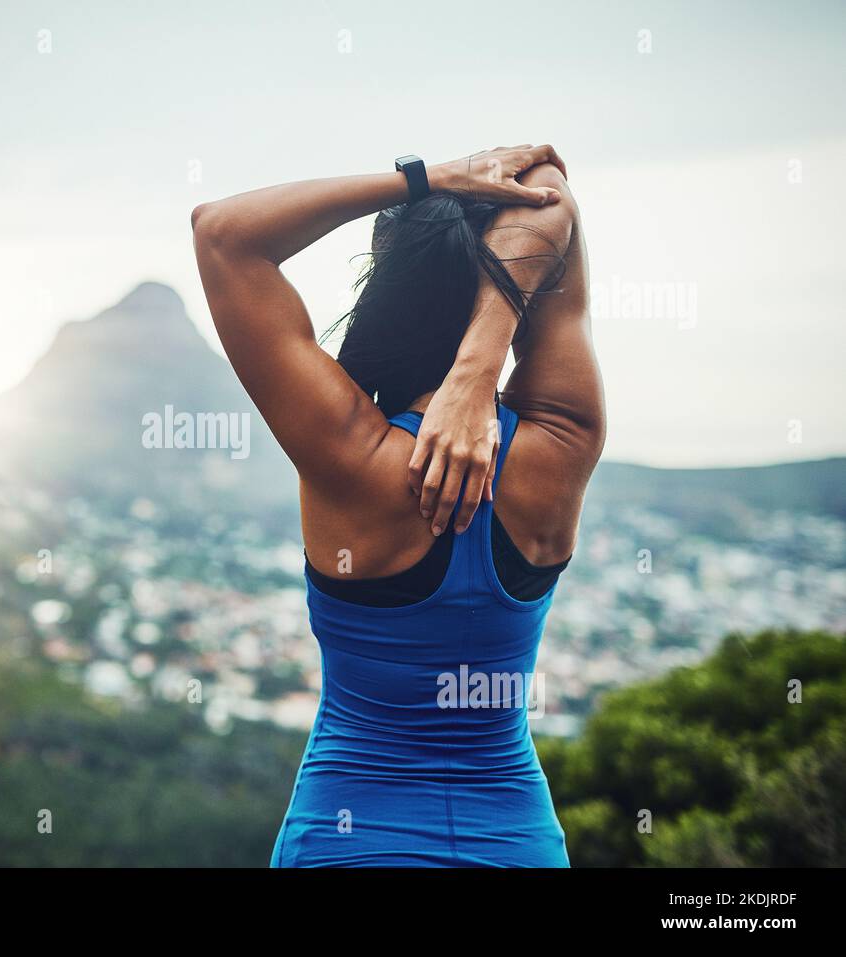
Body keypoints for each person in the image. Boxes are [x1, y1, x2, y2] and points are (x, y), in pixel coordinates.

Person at [191, 145, 605, 866]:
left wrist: (427, 178)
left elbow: (222, 233)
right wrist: (483, 362)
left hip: (350, 838)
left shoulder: (348, 455)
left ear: (388, 291)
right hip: (516, 842)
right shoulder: (563, 441)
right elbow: (550, 188)